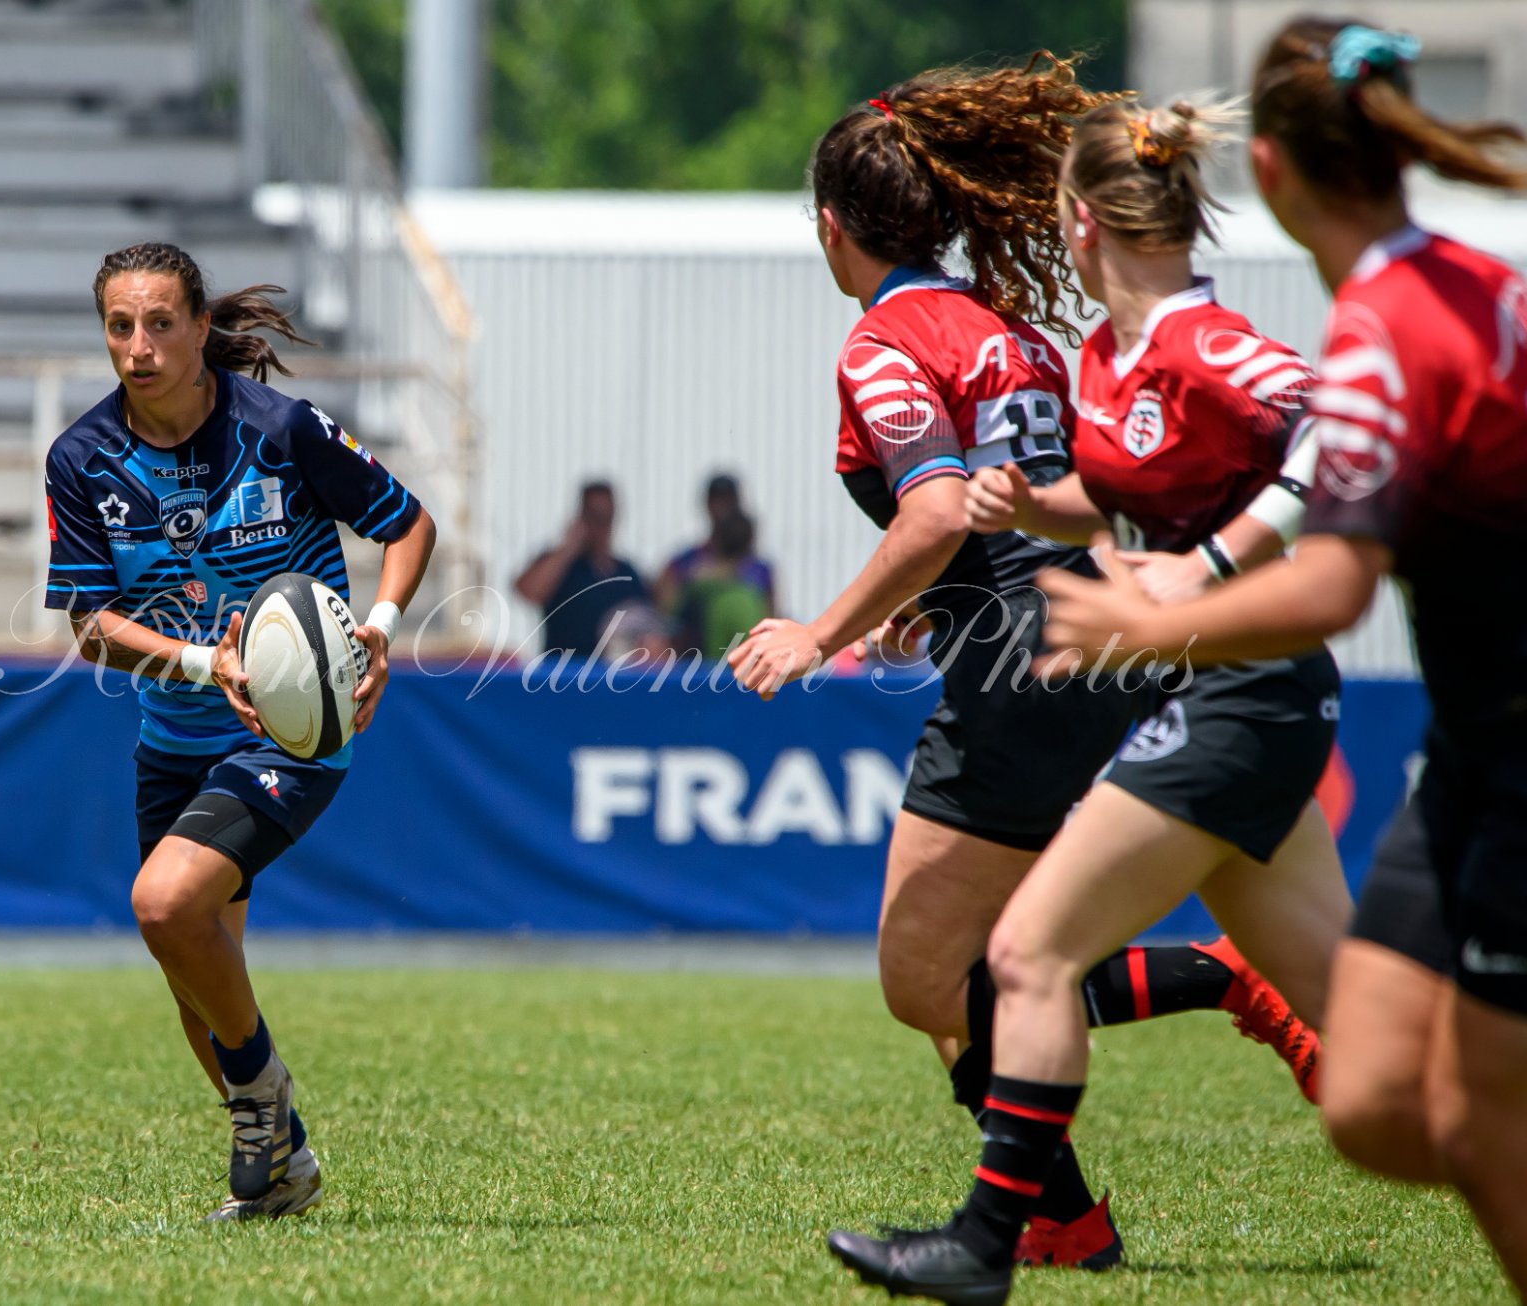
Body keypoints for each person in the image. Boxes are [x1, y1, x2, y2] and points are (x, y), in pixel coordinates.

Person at [726, 53, 1318, 1278]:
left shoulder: (886, 339)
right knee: (1009, 954)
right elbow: (1021, 515)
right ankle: (1060, 1219)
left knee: (924, 974)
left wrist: (817, 633)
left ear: (830, 227)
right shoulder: (1007, 330)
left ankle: (1215, 987)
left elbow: (942, 513)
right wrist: (939, 610)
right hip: (1088, 634)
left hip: (1026, 664)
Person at [1034, 20, 1527, 1296]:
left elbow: (1331, 585)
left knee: (1473, 1108)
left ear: (1270, 170)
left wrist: (1158, 610)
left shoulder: (1384, 328)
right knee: (1370, 1098)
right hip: (1471, 747)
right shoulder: (1455, 289)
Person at [44, 242, 437, 1222]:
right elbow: (91, 628)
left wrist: (375, 633)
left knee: (163, 904)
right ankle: (283, 1166)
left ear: (197, 324)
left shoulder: (280, 429)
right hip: (171, 735)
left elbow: (408, 525)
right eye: (119, 326)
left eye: (160, 323)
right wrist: (201, 663)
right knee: (193, 978)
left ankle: (264, 1107)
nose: (138, 347)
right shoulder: (82, 459)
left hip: (292, 733)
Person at [513, 480, 651, 656]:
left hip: (611, 678)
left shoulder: (627, 574)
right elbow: (528, 592)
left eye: (606, 518)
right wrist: (568, 548)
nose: (600, 527)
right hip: (562, 674)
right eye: (594, 517)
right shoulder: (561, 566)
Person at [659, 474, 776, 661]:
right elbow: (664, 612)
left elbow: (771, 617)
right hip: (694, 666)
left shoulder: (761, 571)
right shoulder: (684, 564)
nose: (722, 508)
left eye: (728, 500)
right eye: (717, 500)